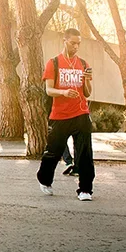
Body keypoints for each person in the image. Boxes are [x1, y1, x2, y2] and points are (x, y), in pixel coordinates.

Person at [36, 28, 96, 201]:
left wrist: (86, 79)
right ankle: (44, 179)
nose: (76, 47)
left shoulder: (83, 64)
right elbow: (48, 90)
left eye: (78, 44)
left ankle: (85, 189)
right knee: (53, 152)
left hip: (81, 113)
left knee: (85, 153)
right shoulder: (53, 63)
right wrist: (64, 92)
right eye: (73, 43)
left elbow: (87, 93)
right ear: (65, 41)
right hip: (60, 115)